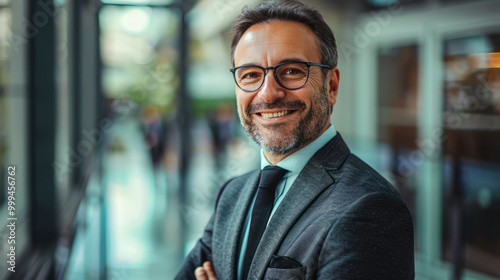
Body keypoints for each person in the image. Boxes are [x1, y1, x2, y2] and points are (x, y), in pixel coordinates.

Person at [176, 0, 414, 279]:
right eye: (251, 75)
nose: (268, 94)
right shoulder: (232, 193)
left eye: (291, 71)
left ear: (331, 86)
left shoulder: (370, 207)